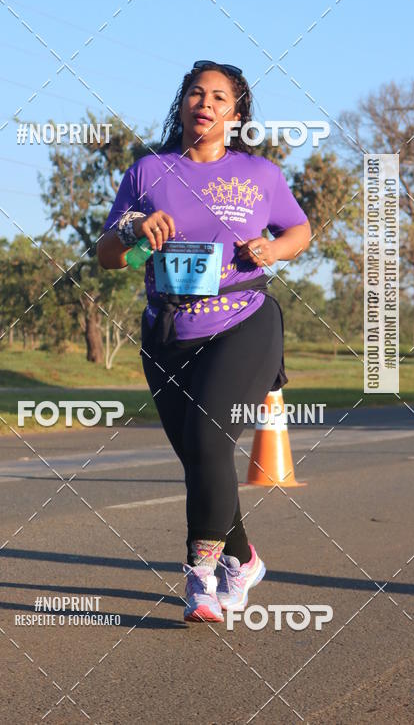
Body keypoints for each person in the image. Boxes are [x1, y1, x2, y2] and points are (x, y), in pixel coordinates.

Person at [97, 60, 311, 623]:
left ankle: (200, 576)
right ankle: (243, 560)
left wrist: (275, 250)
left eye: (220, 97)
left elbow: (299, 229)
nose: (206, 103)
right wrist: (131, 230)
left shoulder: (260, 174)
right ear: (183, 103)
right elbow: (107, 255)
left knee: (211, 442)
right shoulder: (148, 171)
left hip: (243, 318)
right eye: (197, 93)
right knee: (200, 456)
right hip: (168, 330)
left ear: (236, 114)